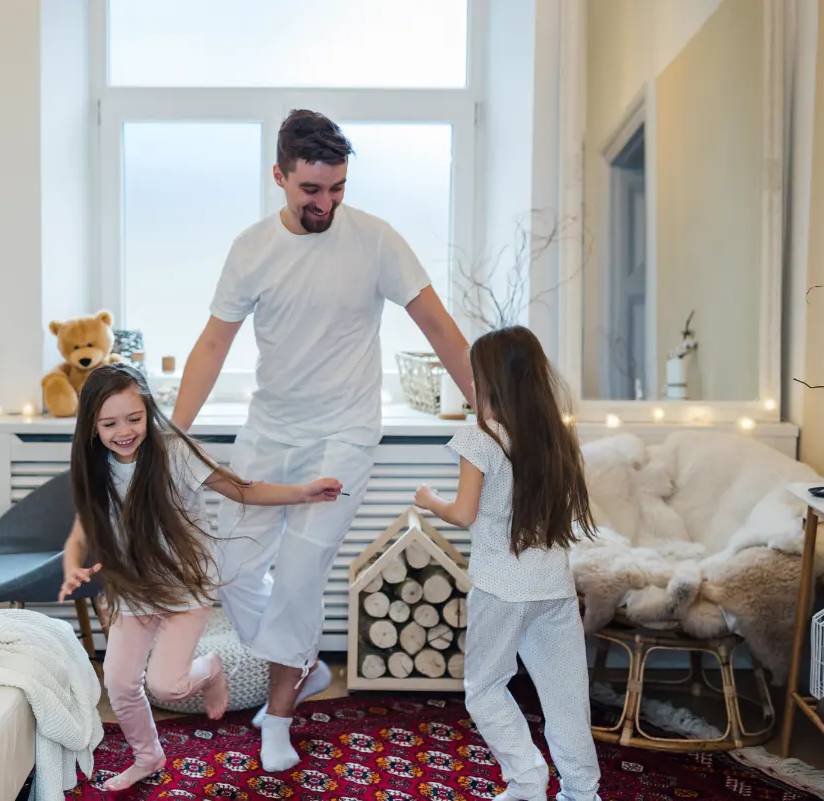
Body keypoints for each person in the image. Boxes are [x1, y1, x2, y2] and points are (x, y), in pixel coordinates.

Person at [171, 109, 475, 773]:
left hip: (346, 431)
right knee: (231, 568)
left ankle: (278, 716)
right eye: (312, 189)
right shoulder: (251, 249)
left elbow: (439, 327)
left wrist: (490, 407)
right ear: (279, 175)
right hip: (269, 429)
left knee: (302, 571)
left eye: (337, 187)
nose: (327, 202)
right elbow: (213, 343)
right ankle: (301, 662)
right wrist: (176, 428)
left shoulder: (376, 241)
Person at [59, 363, 344, 792]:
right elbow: (81, 528)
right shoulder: (95, 466)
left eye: (134, 419)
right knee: (118, 684)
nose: (124, 431)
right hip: (133, 592)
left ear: (149, 413)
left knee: (166, 685)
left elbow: (242, 488)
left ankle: (210, 670)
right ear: (92, 426)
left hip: (183, 590)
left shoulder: (176, 453)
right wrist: (71, 566)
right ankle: (148, 757)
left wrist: (302, 492)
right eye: (110, 423)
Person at [414, 326, 601, 801]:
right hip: (553, 590)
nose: (471, 388)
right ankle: (582, 792)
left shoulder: (481, 439)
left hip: (500, 589)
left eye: (475, 378)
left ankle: (526, 780)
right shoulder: (556, 436)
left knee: (484, 689)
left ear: (492, 381)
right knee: (566, 699)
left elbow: (463, 513)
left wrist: (429, 499)